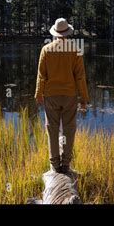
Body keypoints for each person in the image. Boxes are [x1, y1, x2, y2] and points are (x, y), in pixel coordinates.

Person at [35, 18, 89, 174]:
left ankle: (54, 164)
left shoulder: (46, 49)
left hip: (51, 95)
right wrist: (84, 98)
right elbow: (80, 77)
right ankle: (65, 164)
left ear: (55, 33)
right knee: (69, 129)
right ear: (67, 33)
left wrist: (38, 93)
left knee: (52, 129)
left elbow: (41, 75)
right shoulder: (75, 50)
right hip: (69, 96)